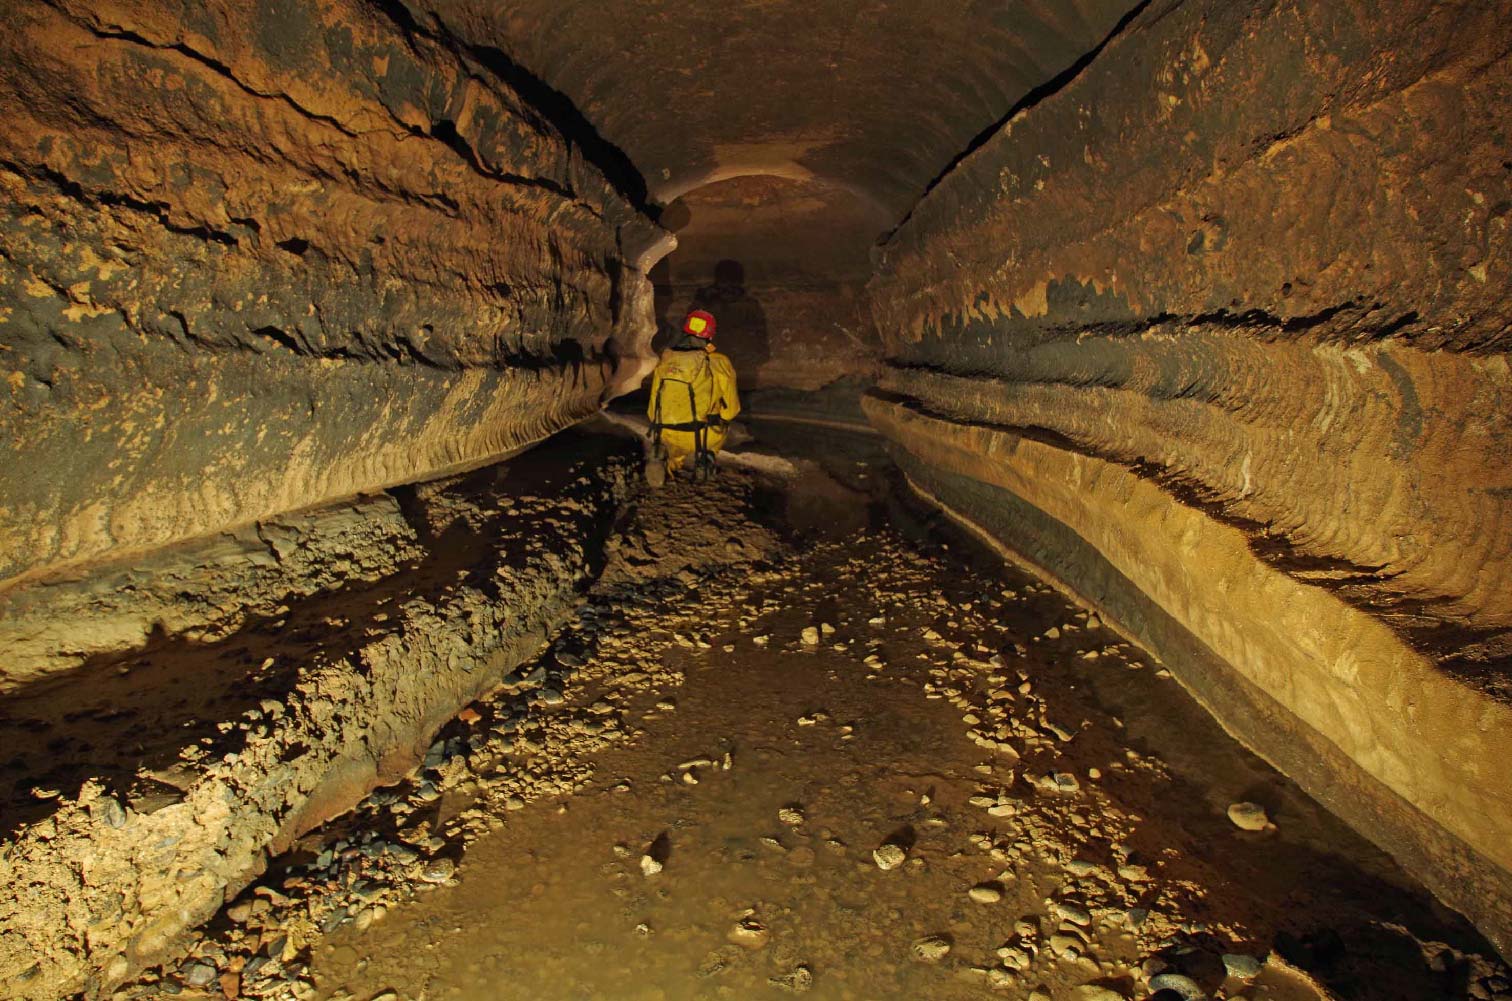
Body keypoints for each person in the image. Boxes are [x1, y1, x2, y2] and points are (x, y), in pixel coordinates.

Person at [645, 309, 739, 486]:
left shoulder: (666, 358)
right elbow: (731, 411)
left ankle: (665, 461)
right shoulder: (718, 361)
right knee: (717, 432)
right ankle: (705, 458)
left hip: (666, 431)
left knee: (674, 448)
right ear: (709, 337)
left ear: (685, 332)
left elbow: (653, 407)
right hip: (703, 433)